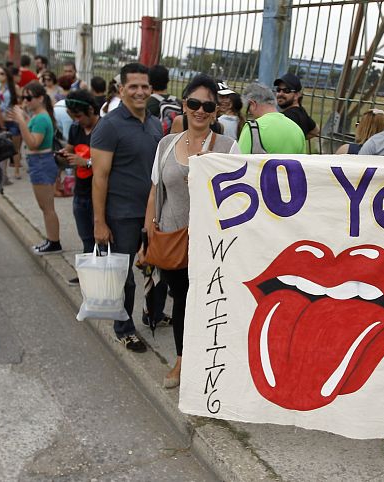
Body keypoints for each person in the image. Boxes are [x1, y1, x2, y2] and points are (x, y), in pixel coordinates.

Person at [140, 74, 240, 388]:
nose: (200, 110)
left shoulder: (228, 147)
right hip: (171, 238)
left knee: (206, 303)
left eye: (207, 105)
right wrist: (148, 236)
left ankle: (205, 364)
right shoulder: (166, 144)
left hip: (208, 244)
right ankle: (183, 361)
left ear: (215, 111)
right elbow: (156, 192)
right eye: (194, 103)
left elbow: (237, 200)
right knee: (180, 300)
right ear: (184, 104)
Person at [91, 63, 163, 353]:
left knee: (155, 270)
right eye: (132, 86)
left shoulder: (156, 123)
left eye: (144, 86)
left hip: (152, 213)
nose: (140, 91)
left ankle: (152, 314)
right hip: (121, 215)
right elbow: (100, 177)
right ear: (120, 89)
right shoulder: (108, 126)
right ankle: (124, 328)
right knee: (123, 277)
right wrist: (99, 222)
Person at [7, 81, 63, 255]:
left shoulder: (41, 118)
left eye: (29, 98)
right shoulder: (39, 116)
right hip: (40, 162)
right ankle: (51, 240)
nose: (26, 101)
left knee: (47, 207)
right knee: (45, 207)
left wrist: (21, 122)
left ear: (40, 98)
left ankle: (54, 242)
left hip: (41, 162)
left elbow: (33, 143)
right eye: (24, 97)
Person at [58, 90, 99, 284]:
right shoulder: (76, 129)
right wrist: (63, 153)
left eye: (79, 115)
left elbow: (113, 163)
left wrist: (87, 163)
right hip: (80, 191)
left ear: (90, 109)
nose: (77, 120)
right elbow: (71, 147)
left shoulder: (103, 129)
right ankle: (87, 276)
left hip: (98, 193)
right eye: (73, 116)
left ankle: (100, 278)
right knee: (86, 237)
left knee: (100, 238)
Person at [237, 82, 306, 154]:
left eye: (248, 109)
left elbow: (239, 161)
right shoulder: (297, 130)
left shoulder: (252, 128)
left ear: (253, 104)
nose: (250, 113)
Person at [0, 65, 22, 179]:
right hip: (1, 120)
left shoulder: (14, 87)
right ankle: (4, 173)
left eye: (2, 73)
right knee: (3, 148)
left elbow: (21, 101)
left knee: (15, 148)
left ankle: (16, 170)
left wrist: (16, 111)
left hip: (12, 120)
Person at [274, 72, 319, 139]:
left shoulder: (286, 117)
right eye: (278, 90)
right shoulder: (302, 112)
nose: (280, 94)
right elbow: (315, 131)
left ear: (297, 95)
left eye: (286, 90)